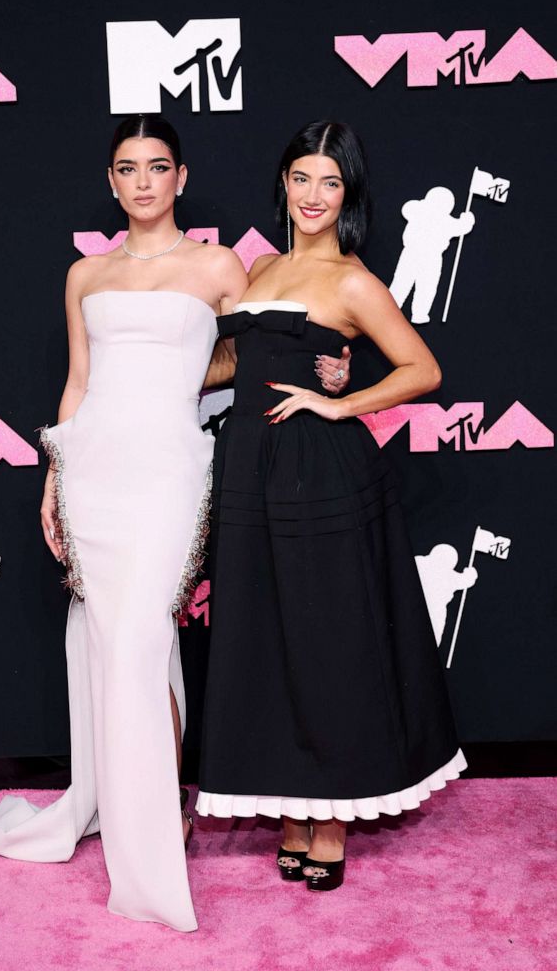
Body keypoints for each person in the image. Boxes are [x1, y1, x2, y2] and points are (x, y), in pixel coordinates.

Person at [0, 115, 351, 931]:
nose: (143, 180)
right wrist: (52, 474)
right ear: (111, 182)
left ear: (181, 177)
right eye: (127, 168)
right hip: (93, 469)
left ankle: (147, 854)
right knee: (125, 646)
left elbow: (265, 343)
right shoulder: (83, 272)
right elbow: (78, 381)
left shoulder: (219, 265)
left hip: (171, 470)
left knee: (139, 638)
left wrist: (338, 359)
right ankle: (160, 806)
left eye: (158, 166)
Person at [197, 120, 467, 892]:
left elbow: (422, 368)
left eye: (330, 183)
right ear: (282, 182)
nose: (313, 196)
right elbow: (229, 366)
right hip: (249, 470)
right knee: (267, 639)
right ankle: (288, 805)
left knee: (325, 640)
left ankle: (331, 818)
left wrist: (342, 405)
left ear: (346, 195)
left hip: (321, 476)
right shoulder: (256, 269)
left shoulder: (351, 280)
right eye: (301, 177)